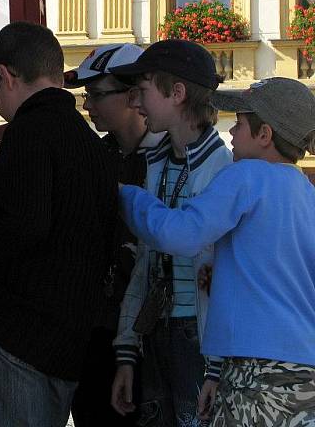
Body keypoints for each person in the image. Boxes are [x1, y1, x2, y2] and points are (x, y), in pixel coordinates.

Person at [0, 22, 118, 426]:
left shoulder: (30, 131)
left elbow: (23, 222)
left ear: (6, 76)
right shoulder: (91, 143)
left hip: (15, 335)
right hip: (67, 341)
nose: (0, 105)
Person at [118, 77, 315, 426]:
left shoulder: (246, 176)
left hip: (257, 369)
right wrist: (216, 373)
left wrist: (128, 196)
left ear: (264, 134)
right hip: (303, 369)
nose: (231, 136)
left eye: (238, 125)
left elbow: (181, 235)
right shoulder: (306, 193)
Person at [108, 39, 232, 427]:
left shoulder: (223, 172)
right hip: (156, 333)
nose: (134, 103)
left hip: (197, 343)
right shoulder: (156, 163)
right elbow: (146, 258)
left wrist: (215, 368)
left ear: (176, 94)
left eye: (142, 90)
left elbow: (224, 279)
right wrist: (127, 347)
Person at [64, 43, 164, 427]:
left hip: (152, 335)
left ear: (134, 95)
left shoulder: (174, 160)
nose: (88, 106)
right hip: (95, 330)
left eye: (96, 94)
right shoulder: (91, 158)